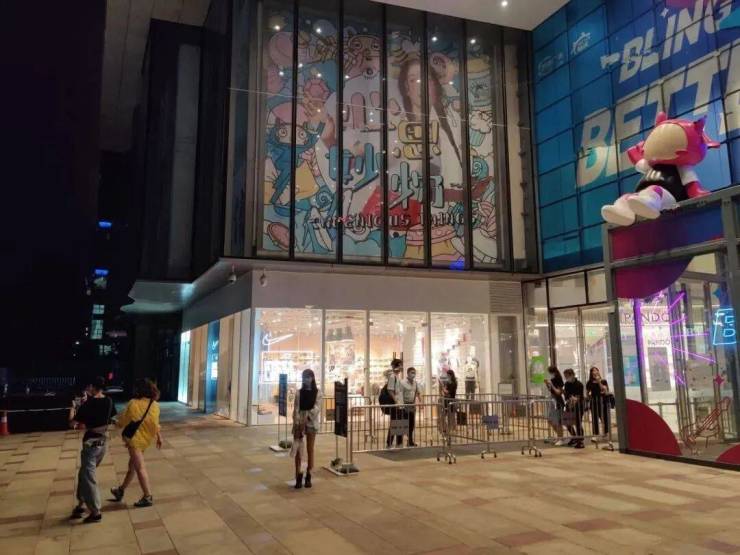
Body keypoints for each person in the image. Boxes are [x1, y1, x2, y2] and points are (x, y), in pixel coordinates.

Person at [68, 377, 116, 523]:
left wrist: (72, 409)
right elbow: (113, 418)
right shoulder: (109, 401)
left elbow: (72, 424)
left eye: (89, 386)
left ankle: (96, 512)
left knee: (89, 476)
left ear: (93, 387)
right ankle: (81, 504)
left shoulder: (88, 404)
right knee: (84, 473)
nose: (88, 389)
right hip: (103, 442)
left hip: (90, 443)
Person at [110, 378, 162, 507]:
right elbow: (155, 423)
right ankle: (120, 490)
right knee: (132, 467)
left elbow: (123, 421)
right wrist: (159, 437)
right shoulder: (155, 405)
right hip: (146, 440)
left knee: (139, 468)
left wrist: (115, 422)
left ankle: (147, 496)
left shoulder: (133, 403)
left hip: (135, 441)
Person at [292, 369, 322, 489]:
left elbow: (317, 408)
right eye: (304, 377)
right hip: (299, 424)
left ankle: (308, 474)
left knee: (310, 450)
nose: (306, 379)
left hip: (311, 424)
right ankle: (298, 476)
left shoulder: (318, 392)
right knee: (299, 451)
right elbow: (296, 409)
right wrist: (298, 422)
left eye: (308, 377)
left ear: (312, 378)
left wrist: (307, 417)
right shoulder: (299, 393)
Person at [586, 366, 611, 439]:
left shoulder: (603, 381)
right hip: (594, 402)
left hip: (603, 402)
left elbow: (604, 390)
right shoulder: (589, 382)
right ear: (591, 373)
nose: (595, 372)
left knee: (604, 417)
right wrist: (589, 396)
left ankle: (606, 432)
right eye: (593, 371)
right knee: (594, 419)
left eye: (596, 370)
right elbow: (587, 392)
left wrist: (599, 381)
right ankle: (595, 434)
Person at [544, 366, 566, 446]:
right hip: (553, 401)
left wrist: (552, 385)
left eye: (550, 372)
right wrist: (547, 384)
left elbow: (558, 392)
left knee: (558, 421)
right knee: (550, 420)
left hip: (558, 401)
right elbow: (551, 390)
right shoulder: (552, 379)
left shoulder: (558, 379)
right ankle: (559, 436)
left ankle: (561, 438)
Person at [563, 369, 585, 449]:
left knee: (578, 423)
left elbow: (579, 396)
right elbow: (566, 395)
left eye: (567, 376)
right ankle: (574, 437)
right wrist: (569, 399)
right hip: (569, 405)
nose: (566, 378)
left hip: (578, 406)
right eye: (565, 376)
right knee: (567, 422)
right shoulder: (566, 384)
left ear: (572, 375)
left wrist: (574, 399)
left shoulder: (579, 384)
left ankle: (580, 441)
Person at [401, 367, 422, 447]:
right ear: (408, 373)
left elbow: (418, 393)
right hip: (404, 405)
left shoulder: (415, 383)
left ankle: (410, 441)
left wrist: (420, 401)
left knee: (411, 424)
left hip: (412, 406)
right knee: (404, 424)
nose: (413, 374)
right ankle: (399, 442)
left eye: (414, 373)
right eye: (412, 372)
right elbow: (399, 394)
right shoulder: (402, 382)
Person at [385, 359, 404, 448]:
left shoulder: (397, 376)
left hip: (400, 403)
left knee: (400, 422)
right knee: (394, 422)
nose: (401, 367)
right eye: (400, 365)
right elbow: (390, 390)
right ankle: (389, 442)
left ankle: (399, 442)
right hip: (395, 404)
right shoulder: (392, 377)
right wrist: (396, 401)